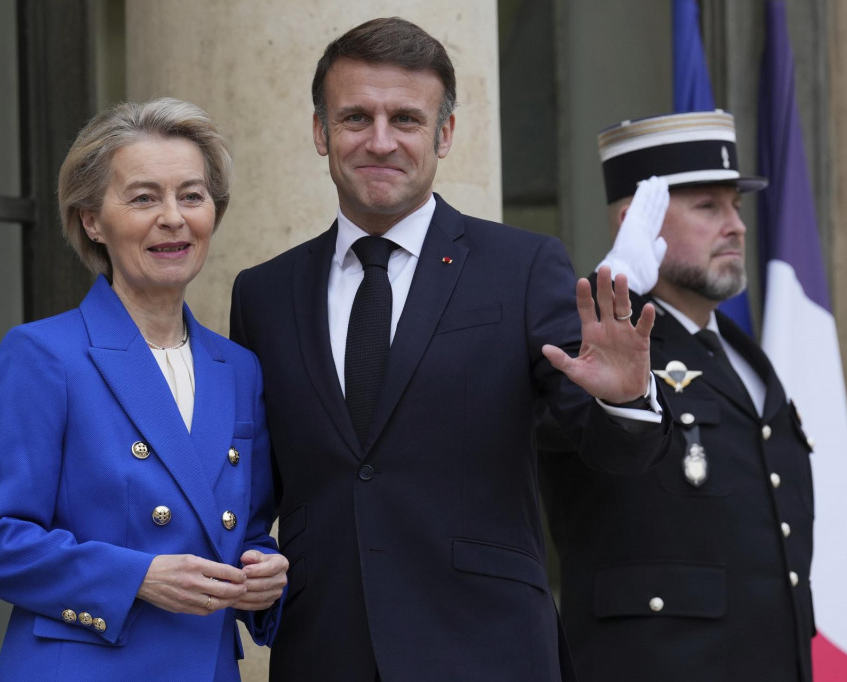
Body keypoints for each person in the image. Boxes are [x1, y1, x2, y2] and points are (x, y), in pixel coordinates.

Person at [229, 17, 672, 681]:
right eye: (355, 117)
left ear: (446, 134)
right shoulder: (264, 293)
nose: (380, 141)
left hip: (487, 650)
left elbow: (606, 451)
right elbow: (255, 481)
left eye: (406, 119)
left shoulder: (521, 266)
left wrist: (625, 399)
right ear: (320, 132)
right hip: (326, 651)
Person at [0, 98, 288, 681]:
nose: (173, 218)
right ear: (91, 220)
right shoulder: (42, 354)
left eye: (192, 195)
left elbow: (242, 527)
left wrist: (262, 574)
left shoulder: (238, 368)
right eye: (143, 197)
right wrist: (137, 577)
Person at [539, 110, 815, 681]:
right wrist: (612, 286)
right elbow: (567, 415)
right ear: (635, 221)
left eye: (736, 206)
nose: (736, 226)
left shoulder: (744, 355)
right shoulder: (591, 347)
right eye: (708, 207)